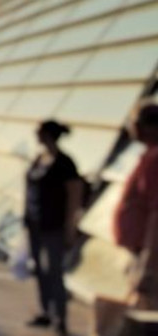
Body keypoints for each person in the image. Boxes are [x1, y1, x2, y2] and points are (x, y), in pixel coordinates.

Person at [23, 120, 82, 335]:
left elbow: (74, 196)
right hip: (35, 223)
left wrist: (70, 228)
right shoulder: (39, 159)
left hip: (54, 225)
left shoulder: (64, 163)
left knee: (54, 272)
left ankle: (60, 318)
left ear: (48, 134)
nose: (36, 135)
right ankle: (45, 311)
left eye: (39, 132)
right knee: (39, 270)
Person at [115, 103, 158, 312]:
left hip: (149, 255)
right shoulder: (149, 155)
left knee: (145, 316)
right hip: (142, 251)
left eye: (134, 123)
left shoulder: (155, 158)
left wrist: (148, 265)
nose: (131, 128)